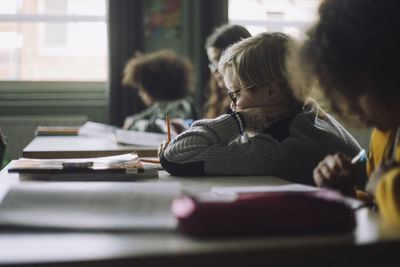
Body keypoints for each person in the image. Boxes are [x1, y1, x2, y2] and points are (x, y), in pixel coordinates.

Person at [158, 32, 362, 186]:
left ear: (271, 92)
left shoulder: (280, 146)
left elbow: (175, 157)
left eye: (236, 94)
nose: (232, 104)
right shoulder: (306, 114)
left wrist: (239, 120)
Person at [296, 0, 400, 225]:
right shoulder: (383, 135)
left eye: (358, 90)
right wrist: (346, 193)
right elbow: (380, 210)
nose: (351, 107)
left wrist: (386, 186)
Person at [122, 49, 196, 133]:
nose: (140, 93)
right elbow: (131, 120)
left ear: (154, 87)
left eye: (142, 89)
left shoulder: (180, 106)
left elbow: (164, 129)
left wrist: (136, 125)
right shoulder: (158, 106)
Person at [203, 24, 251, 119]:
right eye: (212, 63)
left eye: (219, 61)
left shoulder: (250, 101)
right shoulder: (219, 97)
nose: (214, 70)